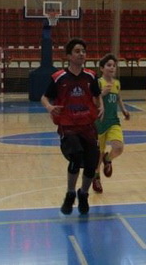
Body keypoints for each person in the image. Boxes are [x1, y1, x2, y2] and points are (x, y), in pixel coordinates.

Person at [41, 38, 104, 215]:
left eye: (83, 51)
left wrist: (102, 107)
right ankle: (70, 194)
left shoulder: (91, 76)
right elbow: (44, 97)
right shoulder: (59, 77)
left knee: (92, 163)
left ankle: (83, 194)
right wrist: (50, 107)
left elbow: (97, 95)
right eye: (77, 51)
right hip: (68, 125)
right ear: (69, 56)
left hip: (87, 125)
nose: (81, 54)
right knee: (75, 157)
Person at [92, 54, 130, 194]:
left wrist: (124, 110)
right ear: (102, 68)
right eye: (109, 65)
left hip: (113, 121)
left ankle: (108, 159)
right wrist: (102, 93)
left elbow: (118, 97)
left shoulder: (117, 83)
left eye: (114, 65)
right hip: (99, 122)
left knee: (119, 147)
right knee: (98, 154)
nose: (112, 67)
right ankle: (96, 177)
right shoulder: (98, 83)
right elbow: (92, 100)